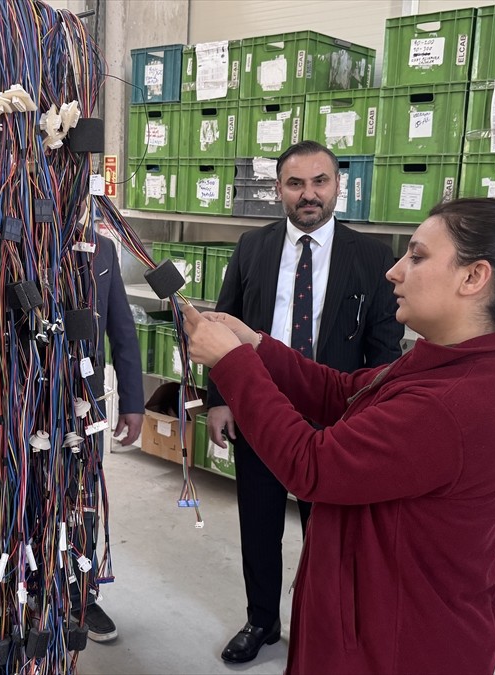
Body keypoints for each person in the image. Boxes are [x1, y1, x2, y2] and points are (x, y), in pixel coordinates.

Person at [185, 197, 495, 673]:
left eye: (416, 256)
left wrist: (233, 365)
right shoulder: (453, 366)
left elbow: (313, 466)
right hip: (384, 614)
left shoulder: (456, 402)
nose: (394, 272)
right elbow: (346, 394)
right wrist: (255, 345)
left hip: (395, 641)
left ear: (473, 277)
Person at [205, 140, 404, 664]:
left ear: (339, 185)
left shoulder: (372, 257)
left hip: (337, 420)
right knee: (259, 524)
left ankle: (329, 630)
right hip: (259, 410)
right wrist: (219, 399)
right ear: (278, 190)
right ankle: (261, 620)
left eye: (320, 181)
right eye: (296, 184)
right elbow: (223, 324)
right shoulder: (252, 247)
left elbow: (384, 350)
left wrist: (370, 416)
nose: (309, 194)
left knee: (333, 536)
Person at [74, 231, 145, 643]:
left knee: (83, 500)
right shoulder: (16, 234)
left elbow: (123, 330)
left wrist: (133, 402)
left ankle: (80, 594)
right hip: (22, 402)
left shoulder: (101, 248)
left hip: (87, 405)